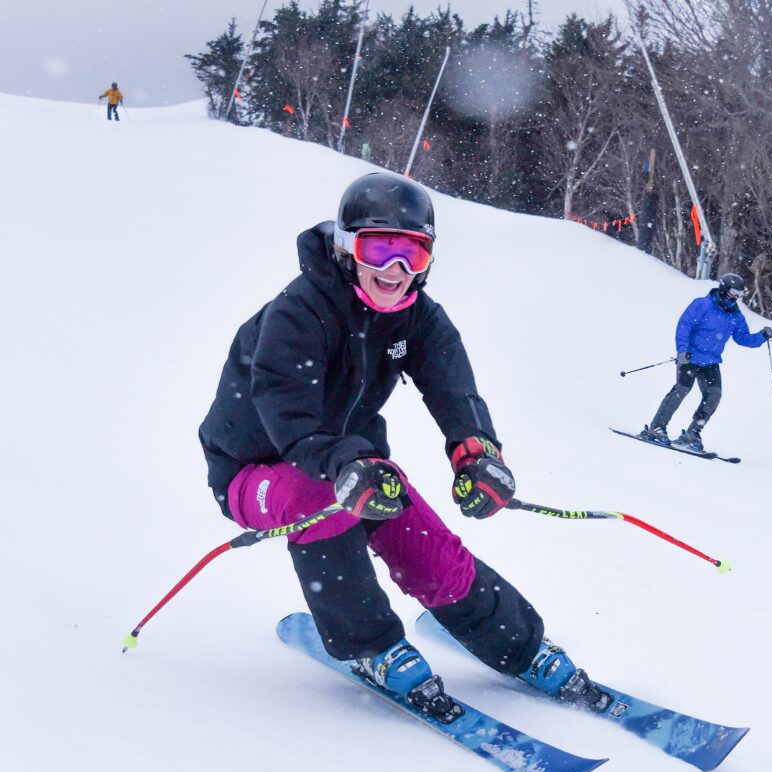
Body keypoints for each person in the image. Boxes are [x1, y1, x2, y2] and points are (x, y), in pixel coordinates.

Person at [199, 172, 610, 721]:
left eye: (412, 255)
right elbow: (290, 423)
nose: (394, 272)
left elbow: (455, 391)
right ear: (347, 248)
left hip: (355, 463)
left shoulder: (419, 316)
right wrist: (342, 460)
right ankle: (371, 646)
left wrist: (477, 452)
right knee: (317, 498)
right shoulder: (296, 314)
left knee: (427, 552)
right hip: (258, 472)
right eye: (380, 249)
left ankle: (521, 646)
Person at [642, 272, 772, 453]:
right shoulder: (702, 305)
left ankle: (692, 434)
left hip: (710, 362)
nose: (737, 297)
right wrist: (682, 350)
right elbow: (684, 325)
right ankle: (656, 428)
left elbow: (742, 338)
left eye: (740, 294)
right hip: (690, 357)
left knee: (714, 395)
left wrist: (761, 337)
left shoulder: (735, 316)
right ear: (724, 289)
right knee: (682, 389)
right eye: (734, 292)